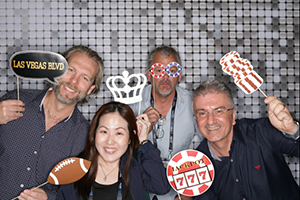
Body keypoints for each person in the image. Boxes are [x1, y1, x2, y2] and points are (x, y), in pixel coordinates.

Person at [0, 45, 104, 200]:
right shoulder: (13, 101)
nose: (73, 81)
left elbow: (76, 191)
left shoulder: (83, 137)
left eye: (84, 78)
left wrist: (49, 197)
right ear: (56, 70)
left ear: (90, 89)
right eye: (70, 70)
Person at [192, 79, 299, 200]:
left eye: (219, 111)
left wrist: (293, 130)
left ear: (233, 116)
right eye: (202, 113)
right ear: (196, 121)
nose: (210, 121)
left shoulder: (262, 132)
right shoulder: (196, 165)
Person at [129, 45, 203, 200]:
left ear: (179, 75)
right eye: (158, 70)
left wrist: (188, 192)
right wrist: (140, 129)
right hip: (138, 187)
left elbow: (209, 147)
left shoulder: (195, 103)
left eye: (172, 70)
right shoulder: (132, 101)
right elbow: (115, 148)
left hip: (179, 187)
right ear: (149, 76)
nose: (165, 77)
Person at [56, 101, 170, 200]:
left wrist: (144, 141)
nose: (110, 141)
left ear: (130, 138)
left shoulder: (137, 168)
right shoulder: (74, 171)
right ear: (94, 134)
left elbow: (161, 187)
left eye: (119, 133)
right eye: (104, 132)